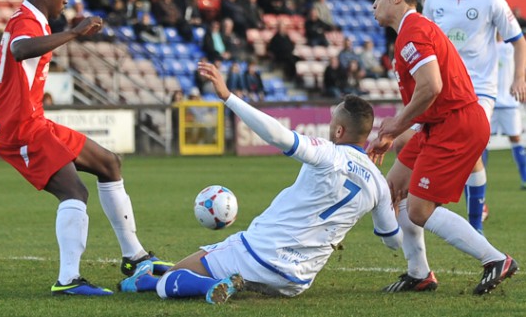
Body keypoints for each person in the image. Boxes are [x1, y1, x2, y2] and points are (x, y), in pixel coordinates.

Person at [118, 64, 402, 303]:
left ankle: (177, 283)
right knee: (193, 266)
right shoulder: (378, 182)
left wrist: (228, 96)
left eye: (331, 122)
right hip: (296, 281)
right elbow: (393, 241)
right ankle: (164, 273)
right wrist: (396, 207)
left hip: (257, 255)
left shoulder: (328, 154)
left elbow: (278, 135)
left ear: (339, 131)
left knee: (169, 283)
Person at [0, 0, 172, 297]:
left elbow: (9, 61)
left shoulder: (25, 18)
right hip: (19, 130)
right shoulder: (28, 22)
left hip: (30, 120)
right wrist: (72, 32)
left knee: (109, 163)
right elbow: (19, 49)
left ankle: (135, 256)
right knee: (74, 192)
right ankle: (68, 279)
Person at [368, 0, 518, 295]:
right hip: (439, 125)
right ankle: (419, 273)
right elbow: (427, 94)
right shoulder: (409, 32)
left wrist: (395, 124)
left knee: (420, 209)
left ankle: (495, 259)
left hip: (457, 123)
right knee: (393, 187)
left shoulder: (413, 32)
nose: (373, 5)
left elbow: (432, 86)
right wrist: (397, 132)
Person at [423, 0, 526, 233]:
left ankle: (475, 223)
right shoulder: (434, 1)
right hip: (441, 88)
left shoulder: (491, 0)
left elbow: (519, 41)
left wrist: (520, 77)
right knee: (419, 144)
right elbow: (426, 43)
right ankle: (413, 212)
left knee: (471, 142)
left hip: (480, 89)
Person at [488, 34, 526, 190]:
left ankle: (525, 178)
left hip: (509, 102)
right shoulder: (486, 46)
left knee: (516, 139)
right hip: (488, 101)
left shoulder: (512, 46)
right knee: (481, 142)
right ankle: (477, 179)